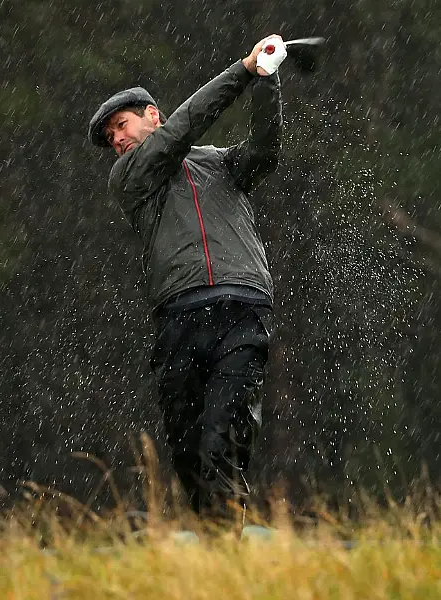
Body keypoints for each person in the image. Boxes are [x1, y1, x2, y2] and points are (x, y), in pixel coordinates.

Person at [88, 34, 286, 527]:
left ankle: (224, 540)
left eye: (120, 124)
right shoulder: (130, 176)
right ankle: (219, 533)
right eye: (109, 137)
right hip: (180, 320)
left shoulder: (216, 161)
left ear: (151, 115)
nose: (116, 138)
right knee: (186, 446)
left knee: (224, 432)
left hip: (241, 308)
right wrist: (242, 69)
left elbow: (264, 149)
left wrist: (266, 78)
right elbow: (184, 129)